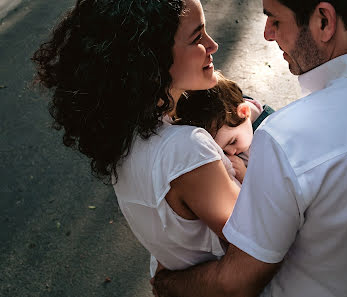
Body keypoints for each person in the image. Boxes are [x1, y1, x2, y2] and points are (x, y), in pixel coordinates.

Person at [153, 0, 347, 296]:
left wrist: (168, 284)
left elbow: (235, 281)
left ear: (323, 21)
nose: (268, 34)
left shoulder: (285, 139)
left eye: (275, 20)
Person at [32, 0, 241, 280]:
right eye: (197, 38)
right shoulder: (185, 149)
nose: (212, 44)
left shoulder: (125, 142)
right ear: (152, 60)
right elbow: (258, 245)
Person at [176, 71, 275, 183]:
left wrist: (245, 175)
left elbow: (275, 186)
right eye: (224, 151)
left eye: (233, 142)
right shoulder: (237, 122)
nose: (231, 153)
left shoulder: (271, 140)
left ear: (244, 111)